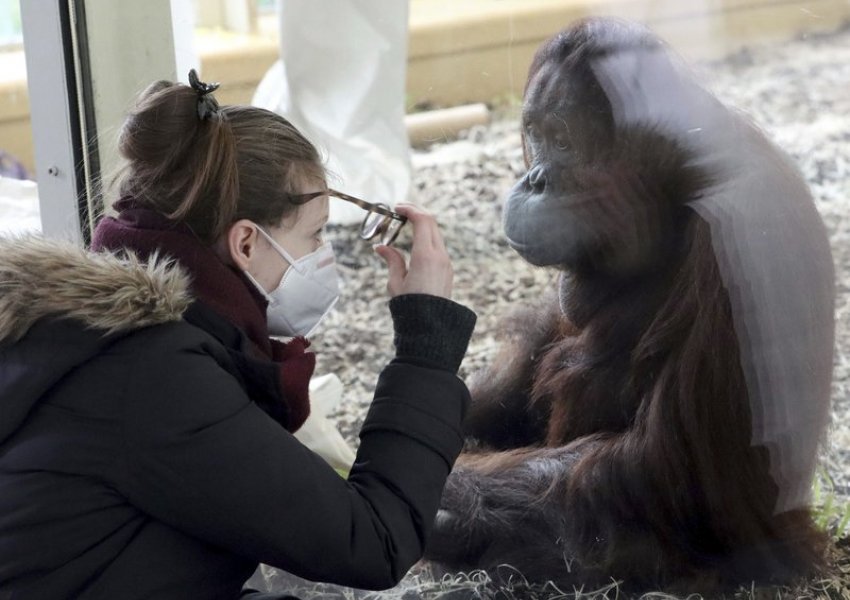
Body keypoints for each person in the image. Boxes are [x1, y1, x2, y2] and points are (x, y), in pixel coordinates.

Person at [0, 71, 476, 599]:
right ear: (246, 242)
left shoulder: (94, 330)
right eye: (314, 234)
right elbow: (373, 542)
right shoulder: (156, 375)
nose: (324, 255)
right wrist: (424, 351)